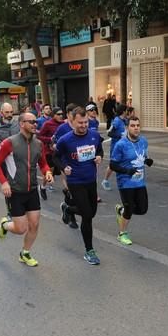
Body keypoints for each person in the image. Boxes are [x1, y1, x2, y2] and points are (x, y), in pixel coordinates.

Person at [0, 112, 54, 267]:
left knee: (34, 225)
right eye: (31, 122)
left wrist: (47, 172)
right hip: (15, 191)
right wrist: (4, 182)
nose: (35, 124)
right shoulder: (9, 143)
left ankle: (25, 253)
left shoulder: (38, 144)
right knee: (20, 229)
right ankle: (5, 225)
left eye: (35, 122)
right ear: (21, 124)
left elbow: (43, 163)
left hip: (32, 190)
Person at [55, 107, 104, 265]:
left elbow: (100, 150)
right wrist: (64, 167)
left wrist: (99, 157)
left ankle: (68, 209)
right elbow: (54, 157)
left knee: (92, 212)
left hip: (91, 180)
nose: (84, 125)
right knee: (87, 216)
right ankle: (89, 251)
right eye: (80, 123)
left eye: (86, 122)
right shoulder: (65, 140)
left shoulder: (95, 135)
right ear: (72, 121)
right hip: (75, 182)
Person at [110, 116, 153, 246]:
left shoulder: (144, 141)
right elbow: (113, 165)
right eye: (133, 126)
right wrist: (127, 171)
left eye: (138, 126)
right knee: (129, 208)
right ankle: (122, 233)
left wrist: (147, 161)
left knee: (142, 209)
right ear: (127, 128)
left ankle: (121, 211)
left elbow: (142, 157)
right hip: (125, 182)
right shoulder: (121, 144)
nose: (136, 128)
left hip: (139, 181)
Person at [37, 107, 65, 199]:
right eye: (58, 114)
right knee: (50, 171)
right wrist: (50, 140)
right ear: (53, 115)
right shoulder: (48, 124)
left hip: (61, 151)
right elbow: (40, 136)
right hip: (49, 151)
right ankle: (43, 187)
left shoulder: (64, 124)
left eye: (62, 114)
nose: (61, 116)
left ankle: (69, 191)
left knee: (65, 171)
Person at [101, 104, 130, 190]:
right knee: (113, 164)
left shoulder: (124, 120)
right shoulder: (117, 121)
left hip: (123, 146)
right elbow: (109, 133)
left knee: (125, 162)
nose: (127, 112)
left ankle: (125, 180)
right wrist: (119, 136)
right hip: (116, 146)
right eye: (127, 110)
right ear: (123, 111)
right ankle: (105, 180)